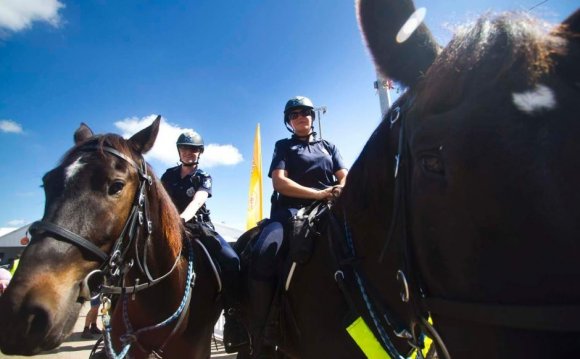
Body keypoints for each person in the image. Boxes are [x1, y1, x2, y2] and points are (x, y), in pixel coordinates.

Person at [248, 96, 348, 357]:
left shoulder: (329, 146)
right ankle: (264, 329)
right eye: (294, 114)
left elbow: (345, 177)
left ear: (313, 116)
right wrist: (319, 194)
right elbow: (280, 183)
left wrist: (338, 190)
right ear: (289, 122)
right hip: (290, 211)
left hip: (330, 209)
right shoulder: (283, 146)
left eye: (305, 112)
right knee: (263, 252)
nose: (301, 116)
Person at [160, 130, 248, 353]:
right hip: (168, 226)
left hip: (197, 226)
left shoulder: (203, 176)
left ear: (200, 153)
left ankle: (233, 319)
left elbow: (198, 200)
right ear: (179, 151)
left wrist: (181, 219)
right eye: (185, 148)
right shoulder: (168, 175)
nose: (189, 153)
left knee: (232, 260)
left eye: (194, 149)